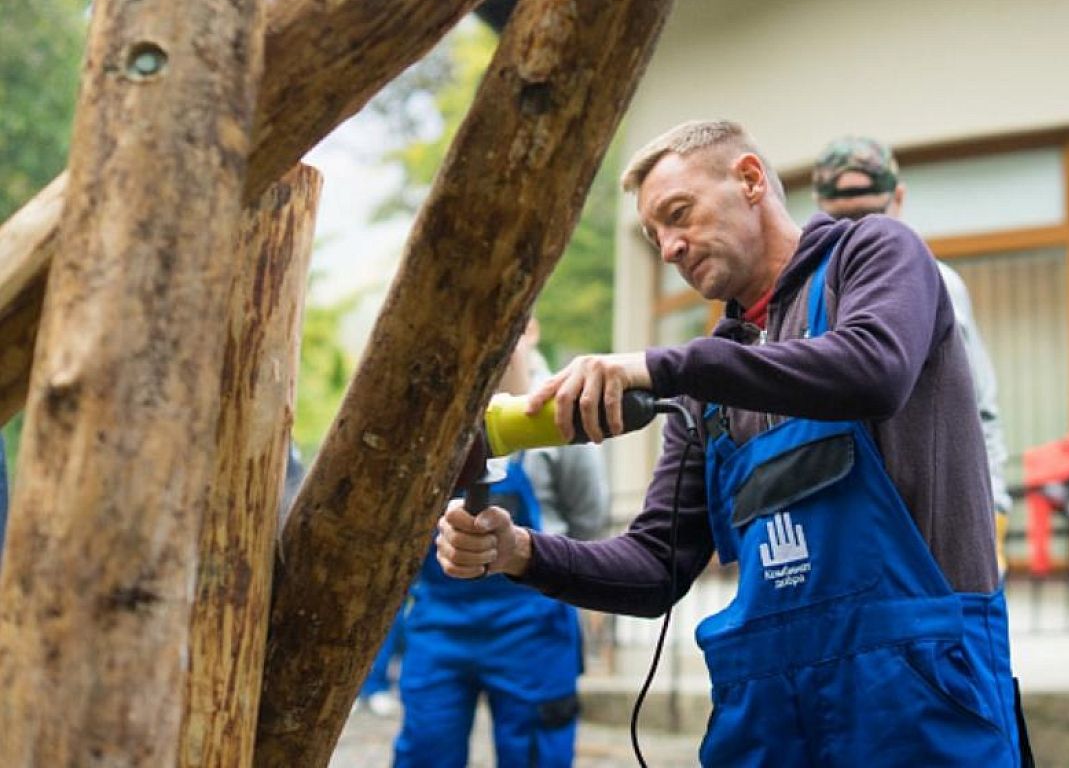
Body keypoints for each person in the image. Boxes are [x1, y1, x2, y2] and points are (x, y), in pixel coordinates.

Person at [435, 120, 1029, 765]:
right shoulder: (708, 378)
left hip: (916, 694)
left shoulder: (874, 254)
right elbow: (654, 567)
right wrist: (519, 551)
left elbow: (872, 370)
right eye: (654, 233)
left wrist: (663, 367)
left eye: (678, 214)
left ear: (749, 180)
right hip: (773, 712)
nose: (668, 247)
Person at [393, 319, 609, 768]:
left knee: (536, 754)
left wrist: (593, 620)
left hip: (533, 628)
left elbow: (588, 526)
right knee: (426, 750)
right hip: (439, 625)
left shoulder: (565, 420)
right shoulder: (431, 427)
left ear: (530, 329)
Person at [811, 135, 1014, 573]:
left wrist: (992, 505)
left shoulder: (939, 286)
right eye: (841, 220)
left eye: (870, 216)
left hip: (933, 520)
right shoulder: (804, 299)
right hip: (839, 522)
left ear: (898, 199)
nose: (858, 234)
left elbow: (981, 410)